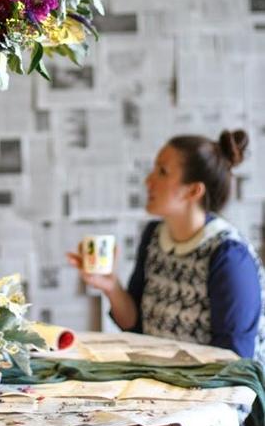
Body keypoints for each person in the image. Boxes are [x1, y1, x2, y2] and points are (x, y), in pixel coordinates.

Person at [68, 129, 265, 365]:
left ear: (193, 191)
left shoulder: (229, 256)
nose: (148, 180)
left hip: (215, 394)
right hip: (161, 382)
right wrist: (111, 286)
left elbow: (234, 361)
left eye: (162, 171)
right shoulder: (154, 235)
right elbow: (136, 325)